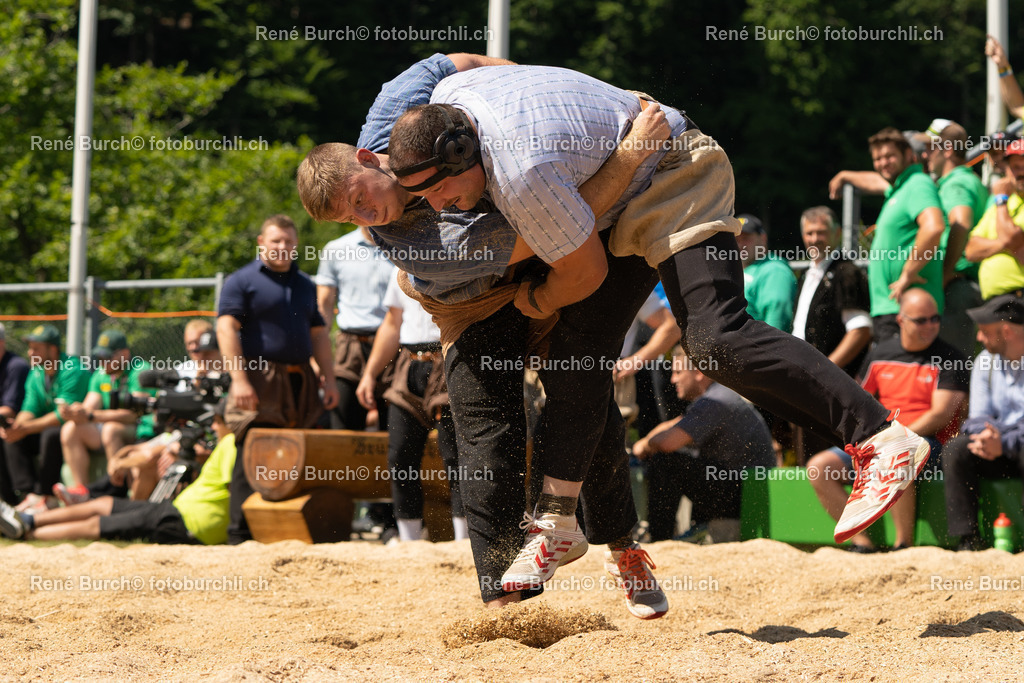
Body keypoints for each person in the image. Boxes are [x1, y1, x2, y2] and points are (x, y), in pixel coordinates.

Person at [386, 65, 931, 556]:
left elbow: (583, 271)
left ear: (462, 151)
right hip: (623, 190)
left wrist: (536, 299)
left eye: (441, 190)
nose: (438, 207)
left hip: (673, 169)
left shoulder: (523, 177)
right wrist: (607, 106)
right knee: (575, 355)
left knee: (716, 337)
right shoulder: (452, 93)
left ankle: (882, 437)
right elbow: (478, 62)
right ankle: (556, 521)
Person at [297, 54, 670, 619]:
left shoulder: (394, 112)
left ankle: (623, 549)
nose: (365, 217)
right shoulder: (406, 241)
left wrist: (517, 90)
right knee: (486, 433)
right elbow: (553, 228)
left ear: (370, 156)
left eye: (359, 198)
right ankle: (505, 599)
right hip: (477, 296)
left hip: (550, 258)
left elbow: (460, 61)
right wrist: (629, 153)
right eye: (349, 219)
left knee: (581, 393)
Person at [807, 289, 967, 551]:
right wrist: (868, 439)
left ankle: (903, 545)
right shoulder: (880, 353)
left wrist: (891, 437)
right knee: (819, 467)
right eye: (921, 320)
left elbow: (941, 415)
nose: (930, 326)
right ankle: (862, 545)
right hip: (882, 442)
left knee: (895, 454)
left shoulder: (950, 359)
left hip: (929, 445)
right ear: (901, 320)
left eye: (935, 318)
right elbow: (858, 399)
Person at [216, 214, 339, 544]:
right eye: (275, 241)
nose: (282, 247)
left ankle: (303, 531)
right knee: (253, 453)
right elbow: (226, 329)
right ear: (261, 243)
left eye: (288, 241)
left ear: (296, 244)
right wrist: (239, 380)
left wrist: (328, 379)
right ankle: (238, 537)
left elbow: (318, 335)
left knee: (306, 454)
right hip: (258, 381)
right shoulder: (241, 281)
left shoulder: (305, 285)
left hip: (302, 382)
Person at [0, 404, 236, 545]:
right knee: (103, 503)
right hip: (175, 509)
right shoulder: (221, 443)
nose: (213, 428)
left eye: (217, 422)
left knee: (98, 524)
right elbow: (149, 451)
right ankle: (28, 519)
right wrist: (121, 459)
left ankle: (29, 534)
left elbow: (235, 490)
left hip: (188, 524)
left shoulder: (231, 444)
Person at [356, 271, 466, 543]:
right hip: (408, 365)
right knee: (400, 457)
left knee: (455, 457)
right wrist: (370, 375)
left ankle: (465, 541)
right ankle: (410, 541)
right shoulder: (398, 266)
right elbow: (392, 323)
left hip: (449, 359)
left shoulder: (456, 258)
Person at [633, 346, 774, 543]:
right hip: (744, 489)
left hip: (743, 496)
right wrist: (647, 442)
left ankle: (659, 540)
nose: (673, 379)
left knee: (667, 463)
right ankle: (685, 529)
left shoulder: (714, 401)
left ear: (698, 373)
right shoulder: (718, 395)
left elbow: (667, 443)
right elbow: (674, 424)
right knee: (685, 461)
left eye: (678, 372)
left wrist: (645, 446)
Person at [791, 206, 872, 461]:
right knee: (804, 451)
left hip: (835, 386)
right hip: (805, 380)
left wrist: (825, 368)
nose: (815, 239)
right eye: (809, 233)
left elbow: (860, 330)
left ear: (837, 233)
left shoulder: (847, 272)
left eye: (821, 232)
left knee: (825, 455)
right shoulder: (807, 274)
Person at [943, 294, 1024, 550]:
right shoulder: (984, 361)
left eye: (984, 331)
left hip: (1017, 447)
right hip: (995, 446)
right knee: (956, 449)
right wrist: (989, 438)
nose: (979, 337)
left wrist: (1005, 442)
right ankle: (968, 539)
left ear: (1007, 331)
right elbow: (976, 419)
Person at [860, 127, 947, 340]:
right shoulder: (899, 190)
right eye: (878, 158)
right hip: (893, 309)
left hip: (909, 312)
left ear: (909, 155)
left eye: (890, 156)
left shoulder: (918, 184)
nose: (883, 163)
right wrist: (843, 176)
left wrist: (908, 272)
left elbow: (934, 227)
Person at [0, 324, 90, 512]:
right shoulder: (36, 373)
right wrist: (16, 427)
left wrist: (25, 428)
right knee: (11, 436)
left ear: (53, 349)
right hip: (46, 429)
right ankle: (27, 496)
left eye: (36, 348)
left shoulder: (73, 369)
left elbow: (61, 416)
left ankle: (46, 497)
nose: (30, 352)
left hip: (76, 429)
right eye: (30, 347)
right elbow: (29, 409)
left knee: (50, 434)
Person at [57, 330, 155, 497]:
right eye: (99, 357)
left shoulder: (140, 371)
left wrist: (91, 416)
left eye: (107, 357)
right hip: (111, 429)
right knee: (70, 429)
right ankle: (80, 493)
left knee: (111, 429)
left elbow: (134, 414)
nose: (102, 362)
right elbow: (89, 407)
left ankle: (117, 489)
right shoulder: (101, 375)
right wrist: (75, 413)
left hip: (141, 429)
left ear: (125, 354)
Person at [315, 226, 395, 430]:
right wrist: (318, 357)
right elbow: (323, 308)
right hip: (351, 348)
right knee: (343, 428)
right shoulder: (337, 249)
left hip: (395, 347)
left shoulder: (406, 246)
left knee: (394, 430)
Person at [926, 120, 989, 358]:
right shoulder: (969, 180)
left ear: (948, 150)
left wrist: (945, 273)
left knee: (951, 376)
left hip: (956, 290)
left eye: (931, 148)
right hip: (962, 288)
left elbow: (960, 223)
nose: (926, 154)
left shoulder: (957, 182)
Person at [964, 139, 1024, 300]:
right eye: (1015, 167)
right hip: (994, 300)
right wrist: (1006, 244)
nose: (1020, 173)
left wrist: (1002, 199)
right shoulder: (999, 206)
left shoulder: (1001, 202)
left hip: (1018, 296)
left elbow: (1010, 237)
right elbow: (970, 250)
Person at [735, 214, 796, 332]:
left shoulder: (774, 271)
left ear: (763, 238)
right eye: (736, 239)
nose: (740, 244)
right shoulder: (743, 269)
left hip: (759, 348)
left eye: (746, 238)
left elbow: (776, 325)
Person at [0, 323, 30, 505]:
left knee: (7, 434)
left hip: (18, 426)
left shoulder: (15, 366)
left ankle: (14, 501)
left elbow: (8, 410)